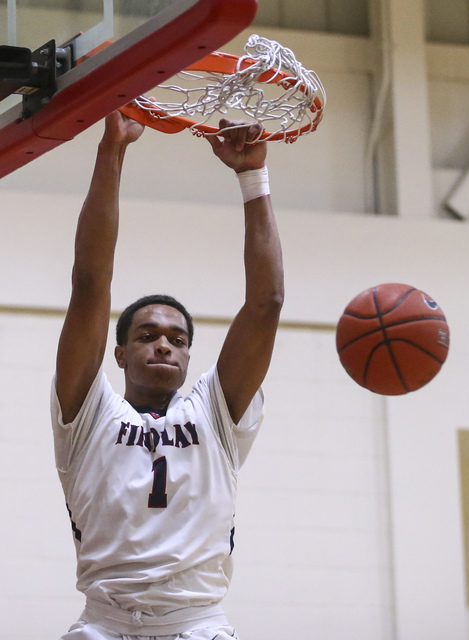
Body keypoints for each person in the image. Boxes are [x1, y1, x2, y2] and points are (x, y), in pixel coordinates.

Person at [51, 111, 284, 640]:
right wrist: (112, 150)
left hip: (196, 625)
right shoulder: (87, 414)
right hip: (103, 625)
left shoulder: (214, 414)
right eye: (147, 334)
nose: (163, 344)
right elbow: (89, 282)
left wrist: (253, 178)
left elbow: (266, 302)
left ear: (188, 358)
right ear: (118, 353)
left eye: (178, 340)